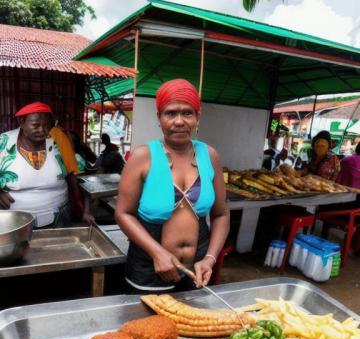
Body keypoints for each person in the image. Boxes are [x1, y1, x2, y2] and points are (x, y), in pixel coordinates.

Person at [115, 78, 230, 292]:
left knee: (192, 324)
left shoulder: (210, 156)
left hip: (196, 271)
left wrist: (210, 259)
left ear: (198, 117)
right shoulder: (142, 157)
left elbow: (221, 214)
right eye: (170, 113)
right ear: (159, 118)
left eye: (187, 113)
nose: (179, 121)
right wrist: (157, 252)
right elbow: (123, 213)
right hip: (149, 270)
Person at [0, 102, 93, 227]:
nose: (42, 130)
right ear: (21, 123)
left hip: (59, 216)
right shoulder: (4, 142)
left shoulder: (58, 139)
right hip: (14, 219)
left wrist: (82, 210)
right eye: (35, 125)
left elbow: (72, 175)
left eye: (46, 125)